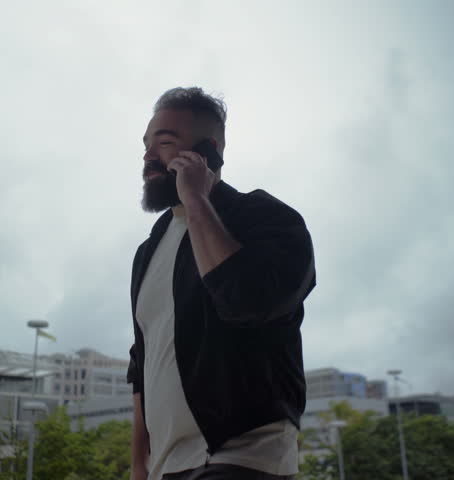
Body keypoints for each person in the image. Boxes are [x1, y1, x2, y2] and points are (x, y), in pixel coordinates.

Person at [127, 86, 316, 480]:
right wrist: (138, 467)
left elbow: (244, 300)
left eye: (164, 142)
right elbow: (142, 362)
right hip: (168, 467)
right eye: (146, 144)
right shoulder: (149, 250)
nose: (148, 155)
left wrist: (196, 198)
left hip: (243, 457)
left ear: (209, 150)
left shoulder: (267, 219)